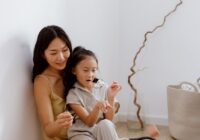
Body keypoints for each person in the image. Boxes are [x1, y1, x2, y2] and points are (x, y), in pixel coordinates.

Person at [64, 46, 157, 140]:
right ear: (74, 70)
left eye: (93, 70)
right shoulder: (73, 94)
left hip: (97, 130)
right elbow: (89, 122)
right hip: (81, 134)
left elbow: (109, 119)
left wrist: (111, 97)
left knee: (106, 124)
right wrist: (97, 107)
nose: (90, 74)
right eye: (85, 70)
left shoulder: (102, 86)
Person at [32, 25, 73, 140]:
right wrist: (60, 123)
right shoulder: (42, 82)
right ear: (43, 55)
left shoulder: (73, 70)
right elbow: (48, 131)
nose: (61, 57)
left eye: (65, 50)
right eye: (53, 53)